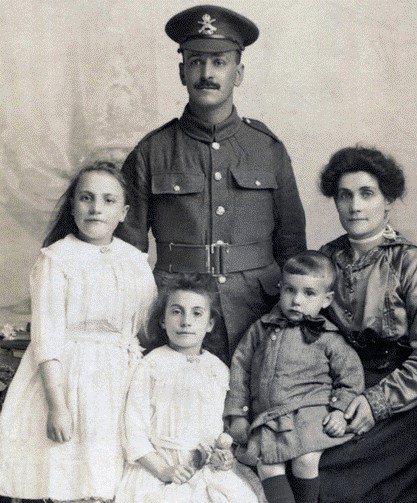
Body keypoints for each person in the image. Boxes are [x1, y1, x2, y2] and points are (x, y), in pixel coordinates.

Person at [121, 5, 306, 365]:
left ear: (238, 73)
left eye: (219, 62)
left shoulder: (267, 148)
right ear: (181, 71)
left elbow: (292, 246)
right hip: (178, 314)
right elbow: (128, 254)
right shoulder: (152, 151)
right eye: (195, 62)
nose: (207, 73)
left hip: (258, 312)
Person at [0, 162, 157, 502]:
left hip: (120, 379)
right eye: (86, 198)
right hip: (68, 379)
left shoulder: (134, 261)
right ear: (72, 205)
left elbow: (144, 329)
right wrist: (58, 405)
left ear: (124, 211)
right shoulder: (57, 259)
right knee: (72, 474)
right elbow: (47, 337)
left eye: (108, 200)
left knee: (114, 475)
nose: (96, 208)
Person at [316, 146, 417, 503]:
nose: (355, 205)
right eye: (345, 195)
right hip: (339, 388)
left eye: (367, 193)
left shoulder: (408, 262)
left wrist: (376, 403)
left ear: (388, 200)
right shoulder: (325, 259)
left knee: (335, 482)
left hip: (401, 395)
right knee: (299, 461)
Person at [224, 251, 364, 503]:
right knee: (267, 465)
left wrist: (340, 411)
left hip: (308, 414)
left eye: (309, 293)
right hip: (269, 416)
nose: (296, 300)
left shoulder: (329, 338)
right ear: (280, 289)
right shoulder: (261, 328)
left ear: (326, 299)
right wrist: (237, 413)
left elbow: (351, 377)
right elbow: (240, 368)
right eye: (289, 290)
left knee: (306, 460)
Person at [115, 273, 260, 503]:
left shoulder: (218, 369)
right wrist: (163, 470)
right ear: (163, 320)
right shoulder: (151, 365)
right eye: (176, 311)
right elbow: (133, 430)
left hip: (206, 468)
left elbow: (221, 427)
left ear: (210, 323)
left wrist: (224, 455)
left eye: (197, 313)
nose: (186, 321)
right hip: (161, 466)